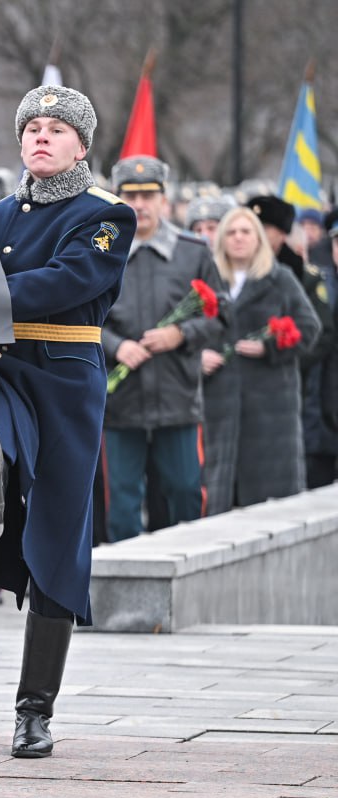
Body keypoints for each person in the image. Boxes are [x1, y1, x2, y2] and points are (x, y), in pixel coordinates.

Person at [0, 85, 135, 757]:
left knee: (55, 539)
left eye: (56, 128)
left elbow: (66, 282)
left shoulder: (107, 213)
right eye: (32, 128)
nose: (41, 137)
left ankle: (34, 707)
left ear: (82, 145)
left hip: (66, 376)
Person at [100, 156, 225, 542]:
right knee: (122, 503)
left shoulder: (194, 252)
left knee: (185, 493)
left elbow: (221, 318)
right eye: (131, 195)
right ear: (118, 200)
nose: (140, 204)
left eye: (149, 195)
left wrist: (180, 334)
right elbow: (82, 319)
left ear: (164, 200)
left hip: (177, 395)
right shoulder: (102, 252)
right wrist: (117, 346)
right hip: (121, 399)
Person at [206, 207, 321, 506]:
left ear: (258, 238)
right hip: (221, 403)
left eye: (246, 231)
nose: (238, 238)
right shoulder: (210, 282)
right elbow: (191, 330)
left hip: (271, 409)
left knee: (269, 502)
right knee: (224, 500)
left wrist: (269, 347)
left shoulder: (279, 278)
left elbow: (310, 328)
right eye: (231, 232)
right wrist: (199, 357)